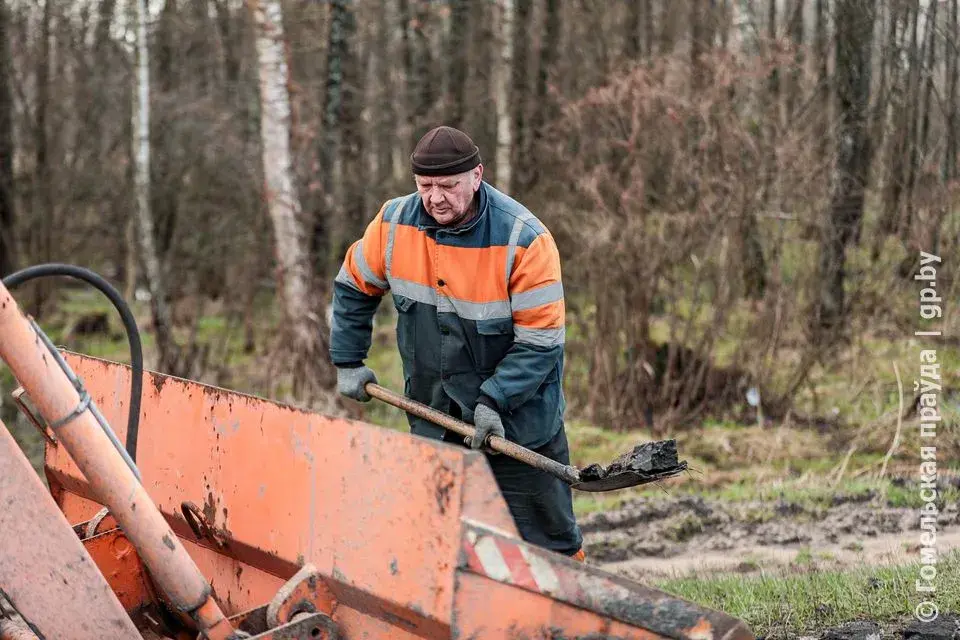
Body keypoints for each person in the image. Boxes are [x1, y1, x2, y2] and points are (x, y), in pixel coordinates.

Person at [329, 125, 583, 560]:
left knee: (547, 545)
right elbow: (354, 286)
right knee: (446, 539)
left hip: (518, 427)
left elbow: (541, 340)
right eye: (425, 186)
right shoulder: (392, 224)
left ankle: (572, 619)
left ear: (477, 175)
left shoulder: (524, 239)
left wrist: (495, 399)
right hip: (433, 416)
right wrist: (348, 359)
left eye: (448, 185)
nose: (435, 197)